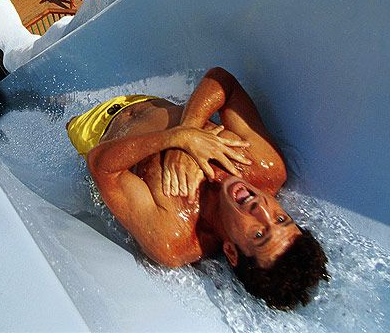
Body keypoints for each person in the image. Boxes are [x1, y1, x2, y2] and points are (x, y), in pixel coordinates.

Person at [66, 67, 328, 310]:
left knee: (65, 113)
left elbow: (100, 165)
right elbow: (223, 81)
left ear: (231, 252)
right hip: (144, 100)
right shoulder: (265, 166)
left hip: (96, 130)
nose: (262, 209)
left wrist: (179, 140)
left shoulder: (173, 236)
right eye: (281, 219)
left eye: (259, 234)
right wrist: (190, 130)